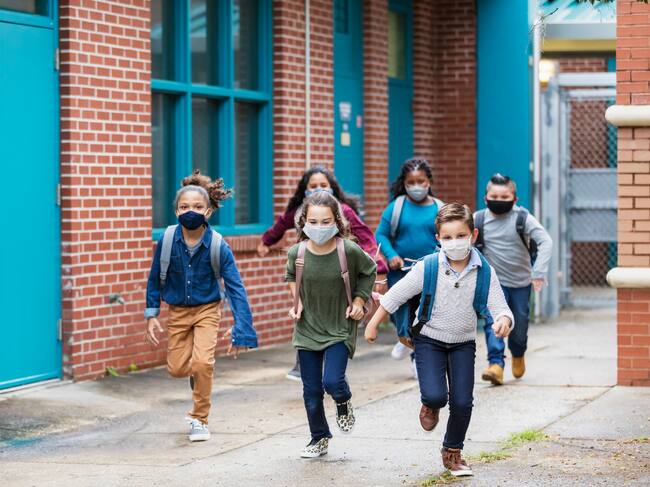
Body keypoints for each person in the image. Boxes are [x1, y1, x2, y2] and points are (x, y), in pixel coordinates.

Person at [365, 203, 514, 477]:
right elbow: (396, 295)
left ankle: (453, 451)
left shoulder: (484, 271)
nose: (454, 242)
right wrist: (373, 324)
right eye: (447, 237)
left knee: (462, 402)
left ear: (474, 234)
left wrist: (504, 320)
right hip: (429, 341)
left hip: (463, 343)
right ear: (438, 239)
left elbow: (500, 306)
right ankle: (430, 403)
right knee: (436, 395)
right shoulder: (429, 267)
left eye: (461, 236)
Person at [145, 171, 258, 442]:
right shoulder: (168, 240)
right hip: (178, 312)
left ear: (208, 211)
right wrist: (151, 314)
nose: (190, 212)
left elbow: (235, 289)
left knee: (203, 362)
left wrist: (243, 329)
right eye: (184, 207)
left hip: (208, 309)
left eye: (197, 207)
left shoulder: (219, 246)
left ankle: (200, 418)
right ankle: (198, 374)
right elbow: (153, 279)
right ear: (175, 211)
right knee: (176, 368)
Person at [257, 166, 387, 380]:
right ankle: (304, 364)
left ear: (332, 188)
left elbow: (365, 236)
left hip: (337, 271)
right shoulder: (302, 210)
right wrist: (267, 241)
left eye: (323, 185)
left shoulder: (343, 210)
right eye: (313, 186)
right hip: (309, 269)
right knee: (307, 314)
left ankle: (334, 371)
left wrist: (378, 266)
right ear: (304, 190)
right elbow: (282, 222)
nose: (319, 190)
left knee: (332, 321)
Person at [286, 191, 377, 458]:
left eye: (326, 221)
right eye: (313, 222)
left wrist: (359, 302)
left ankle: (343, 400)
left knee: (332, 381)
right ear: (304, 222)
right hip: (307, 328)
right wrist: (296, 301)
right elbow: (291, 276)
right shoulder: (297, 252)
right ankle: (319, 437)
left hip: (339, 326)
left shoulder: (346, 250)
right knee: (311, 390)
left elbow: (369, 270)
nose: (319, 227)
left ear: (337, 221)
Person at [474, 173, 552, 385]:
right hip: (493, 284)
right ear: (486, 197)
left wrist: (538, 273)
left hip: (520, 283)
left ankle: (518, 353)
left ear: (515, 199)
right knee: (493, 322)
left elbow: (546, 241)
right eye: (494, 196)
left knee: (518, 327)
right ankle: (496, 365)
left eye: (504, 197)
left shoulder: (522, 218)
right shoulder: (478, 219)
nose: (498, 200)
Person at [374, 158, 443, 379]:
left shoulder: (439, 208)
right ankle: (403, 335)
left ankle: (416, 356)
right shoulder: (397, 207)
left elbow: (447, 234)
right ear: (404, 183)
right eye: (411, 182)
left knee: (422, 315)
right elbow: (381, 234)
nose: (416, 186)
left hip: (429, 272)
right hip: (401, 271)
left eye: (420, 181)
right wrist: (392, 255)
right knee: (399, 312)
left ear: (429, 181)